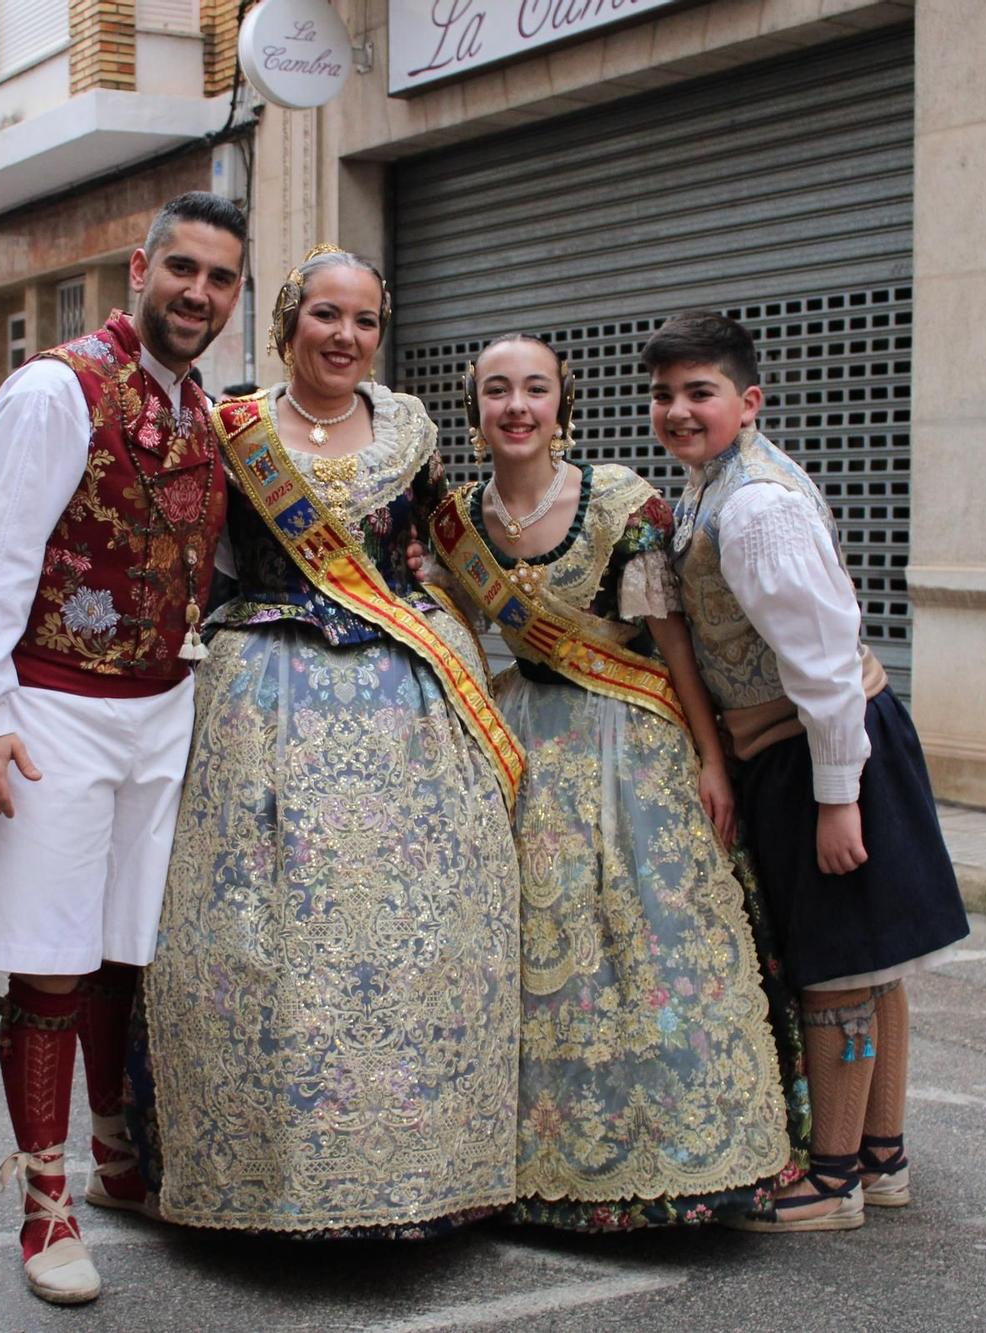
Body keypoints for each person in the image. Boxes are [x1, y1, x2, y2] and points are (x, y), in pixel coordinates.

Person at [142, 247, 523, 1240]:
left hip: (407, 694)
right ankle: (267, 1178)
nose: (344, 337)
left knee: (421, 931)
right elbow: (197, 559)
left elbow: (452, 551)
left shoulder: (409, 428)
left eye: (362, 320)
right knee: (271, 933)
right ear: (285, 326)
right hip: (266, 691)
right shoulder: (233, 428)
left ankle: (428, 1168)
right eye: (324, 316)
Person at [0, 191, 247, 1307]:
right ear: (139, 267)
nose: (199, 294)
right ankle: (44, 1200)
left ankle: (114, 1157)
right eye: (184, 270)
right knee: (51, 957)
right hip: (53, 704)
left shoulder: (204, 409)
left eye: (219, 279)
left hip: (160, 703)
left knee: (124, 943)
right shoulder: (53, 386)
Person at [429, 334, 804, 1231]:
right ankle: (525, 1161)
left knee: (645, 946)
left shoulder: (617, 501)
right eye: (496, 391)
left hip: (627, 741)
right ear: (476, 410)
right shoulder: (452, 519)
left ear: (563, 403)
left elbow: (672, 641)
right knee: (533, 958)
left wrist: (712, 759)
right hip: (521, 739)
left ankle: (673, 1155)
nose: (516, 406)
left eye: (534, 389)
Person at [646, 312, 970, 1233]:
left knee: (837, 968)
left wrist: (837, 800)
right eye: (665, 394)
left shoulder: (756, 507)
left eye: (699, 392)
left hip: (822, 748)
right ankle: (882, 1155)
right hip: (810, 746)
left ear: (749, 400)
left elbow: (826, 664)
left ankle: (833, 1179)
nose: (678, 410)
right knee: (875, 959)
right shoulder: (717, 485)